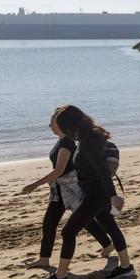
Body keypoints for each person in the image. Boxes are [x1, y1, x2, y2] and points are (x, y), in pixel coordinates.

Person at [34, 105, 132, 279]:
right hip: (94, 193)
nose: (58, 129)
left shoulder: (88, 141)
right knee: (110, 226)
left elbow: (103, 172)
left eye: (61, 125)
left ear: (69, 125)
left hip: (97, 195)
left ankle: (60, 277)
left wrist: (112, 196)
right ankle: (126, 266)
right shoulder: (86, 137)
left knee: (68, 231)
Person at [22, 108, 115, 269]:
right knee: (55, 222)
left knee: (78, 221)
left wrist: (34, 185)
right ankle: (44, 258)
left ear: (60, 123)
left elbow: (59, 170)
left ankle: (108, 244)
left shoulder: (67, 142)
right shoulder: (62, 141)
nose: (50, 126)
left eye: (52, 123)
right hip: (60, 190)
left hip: (69, 189)